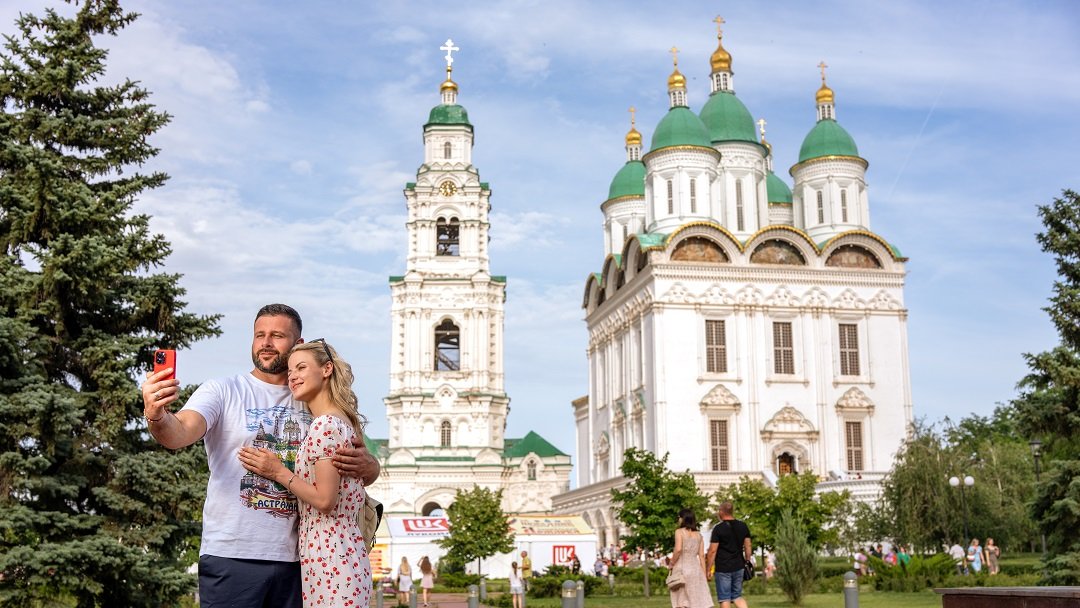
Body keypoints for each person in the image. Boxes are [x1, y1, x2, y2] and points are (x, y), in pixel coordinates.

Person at [141, 304, 380, 607]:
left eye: (277, 336)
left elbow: (359, 472)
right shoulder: (224, 390)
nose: (266, 343)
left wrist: (370, 466)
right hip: (232, 555)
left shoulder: (313, 398)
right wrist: (156, 415)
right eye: (259, 335)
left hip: (301, 561)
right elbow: (178, 433)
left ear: (298, 344)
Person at [238, 339, 372, 607]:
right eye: (290, 371)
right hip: (336, 552)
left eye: (301, 368)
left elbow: (325, 500)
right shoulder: (340, 421)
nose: (292, 377)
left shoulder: (325, 425)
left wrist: (277, 471)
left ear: (327, 369)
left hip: (331, 555)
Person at [705, 502, 752, 608]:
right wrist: (747, 561)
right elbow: (748, 546)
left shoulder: (718, 528)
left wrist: (709, 568)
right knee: (737, 596)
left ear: (722, 512)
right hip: (739, 566)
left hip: (723, 567)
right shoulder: (743, 526)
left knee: (724, 598)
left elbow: (712, 551)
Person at [669, 508, 714, 608]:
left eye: (679, 517)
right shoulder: (699, 535)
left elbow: (678, 549)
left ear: (683, 519)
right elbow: (701, 556)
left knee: (681, 600)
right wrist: (703, 574)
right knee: (694, 600)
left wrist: (672, 563)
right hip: (695, 569)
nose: (678, 519)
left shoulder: (679, 532)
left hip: (681, 568)